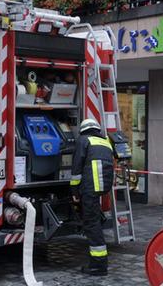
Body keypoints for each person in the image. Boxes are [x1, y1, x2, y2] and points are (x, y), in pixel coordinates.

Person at [70, 118, 114, 276]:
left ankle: (98, 266)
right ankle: (99, 263)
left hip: (89, 188)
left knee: (91, 225)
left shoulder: (83, 140)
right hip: (102, 187)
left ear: (83, 130)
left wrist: (74, 192)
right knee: (94, 222)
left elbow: (77, 168)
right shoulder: (105, 141)